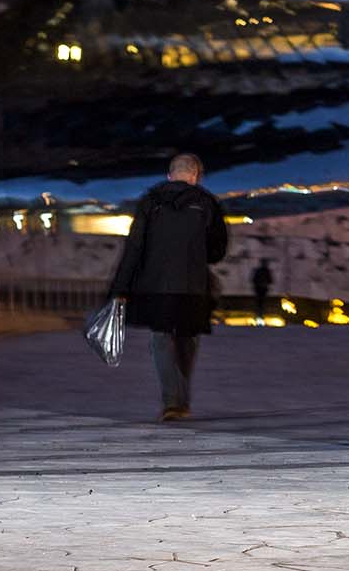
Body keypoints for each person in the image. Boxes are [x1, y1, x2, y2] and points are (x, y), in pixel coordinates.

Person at [108, 152, 229, 420]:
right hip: (193, 285)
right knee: (188, 340)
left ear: (169, 175)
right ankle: (180, 400)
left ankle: (173, 401)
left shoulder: (150, 202)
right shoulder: (207, 203)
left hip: (156, 285)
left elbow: (134, 247)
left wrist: (119, 289)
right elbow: (218, 251)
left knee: (161, 339)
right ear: (195, 176)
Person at [251, 258, 274, 324]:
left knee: (260, 304)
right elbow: (270, 280)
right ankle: (259, 316)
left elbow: (270, 280)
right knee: (260, 304)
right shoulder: (264, 271)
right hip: (260, 289)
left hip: (260, 289)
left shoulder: (262, 271)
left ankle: (259, 316)